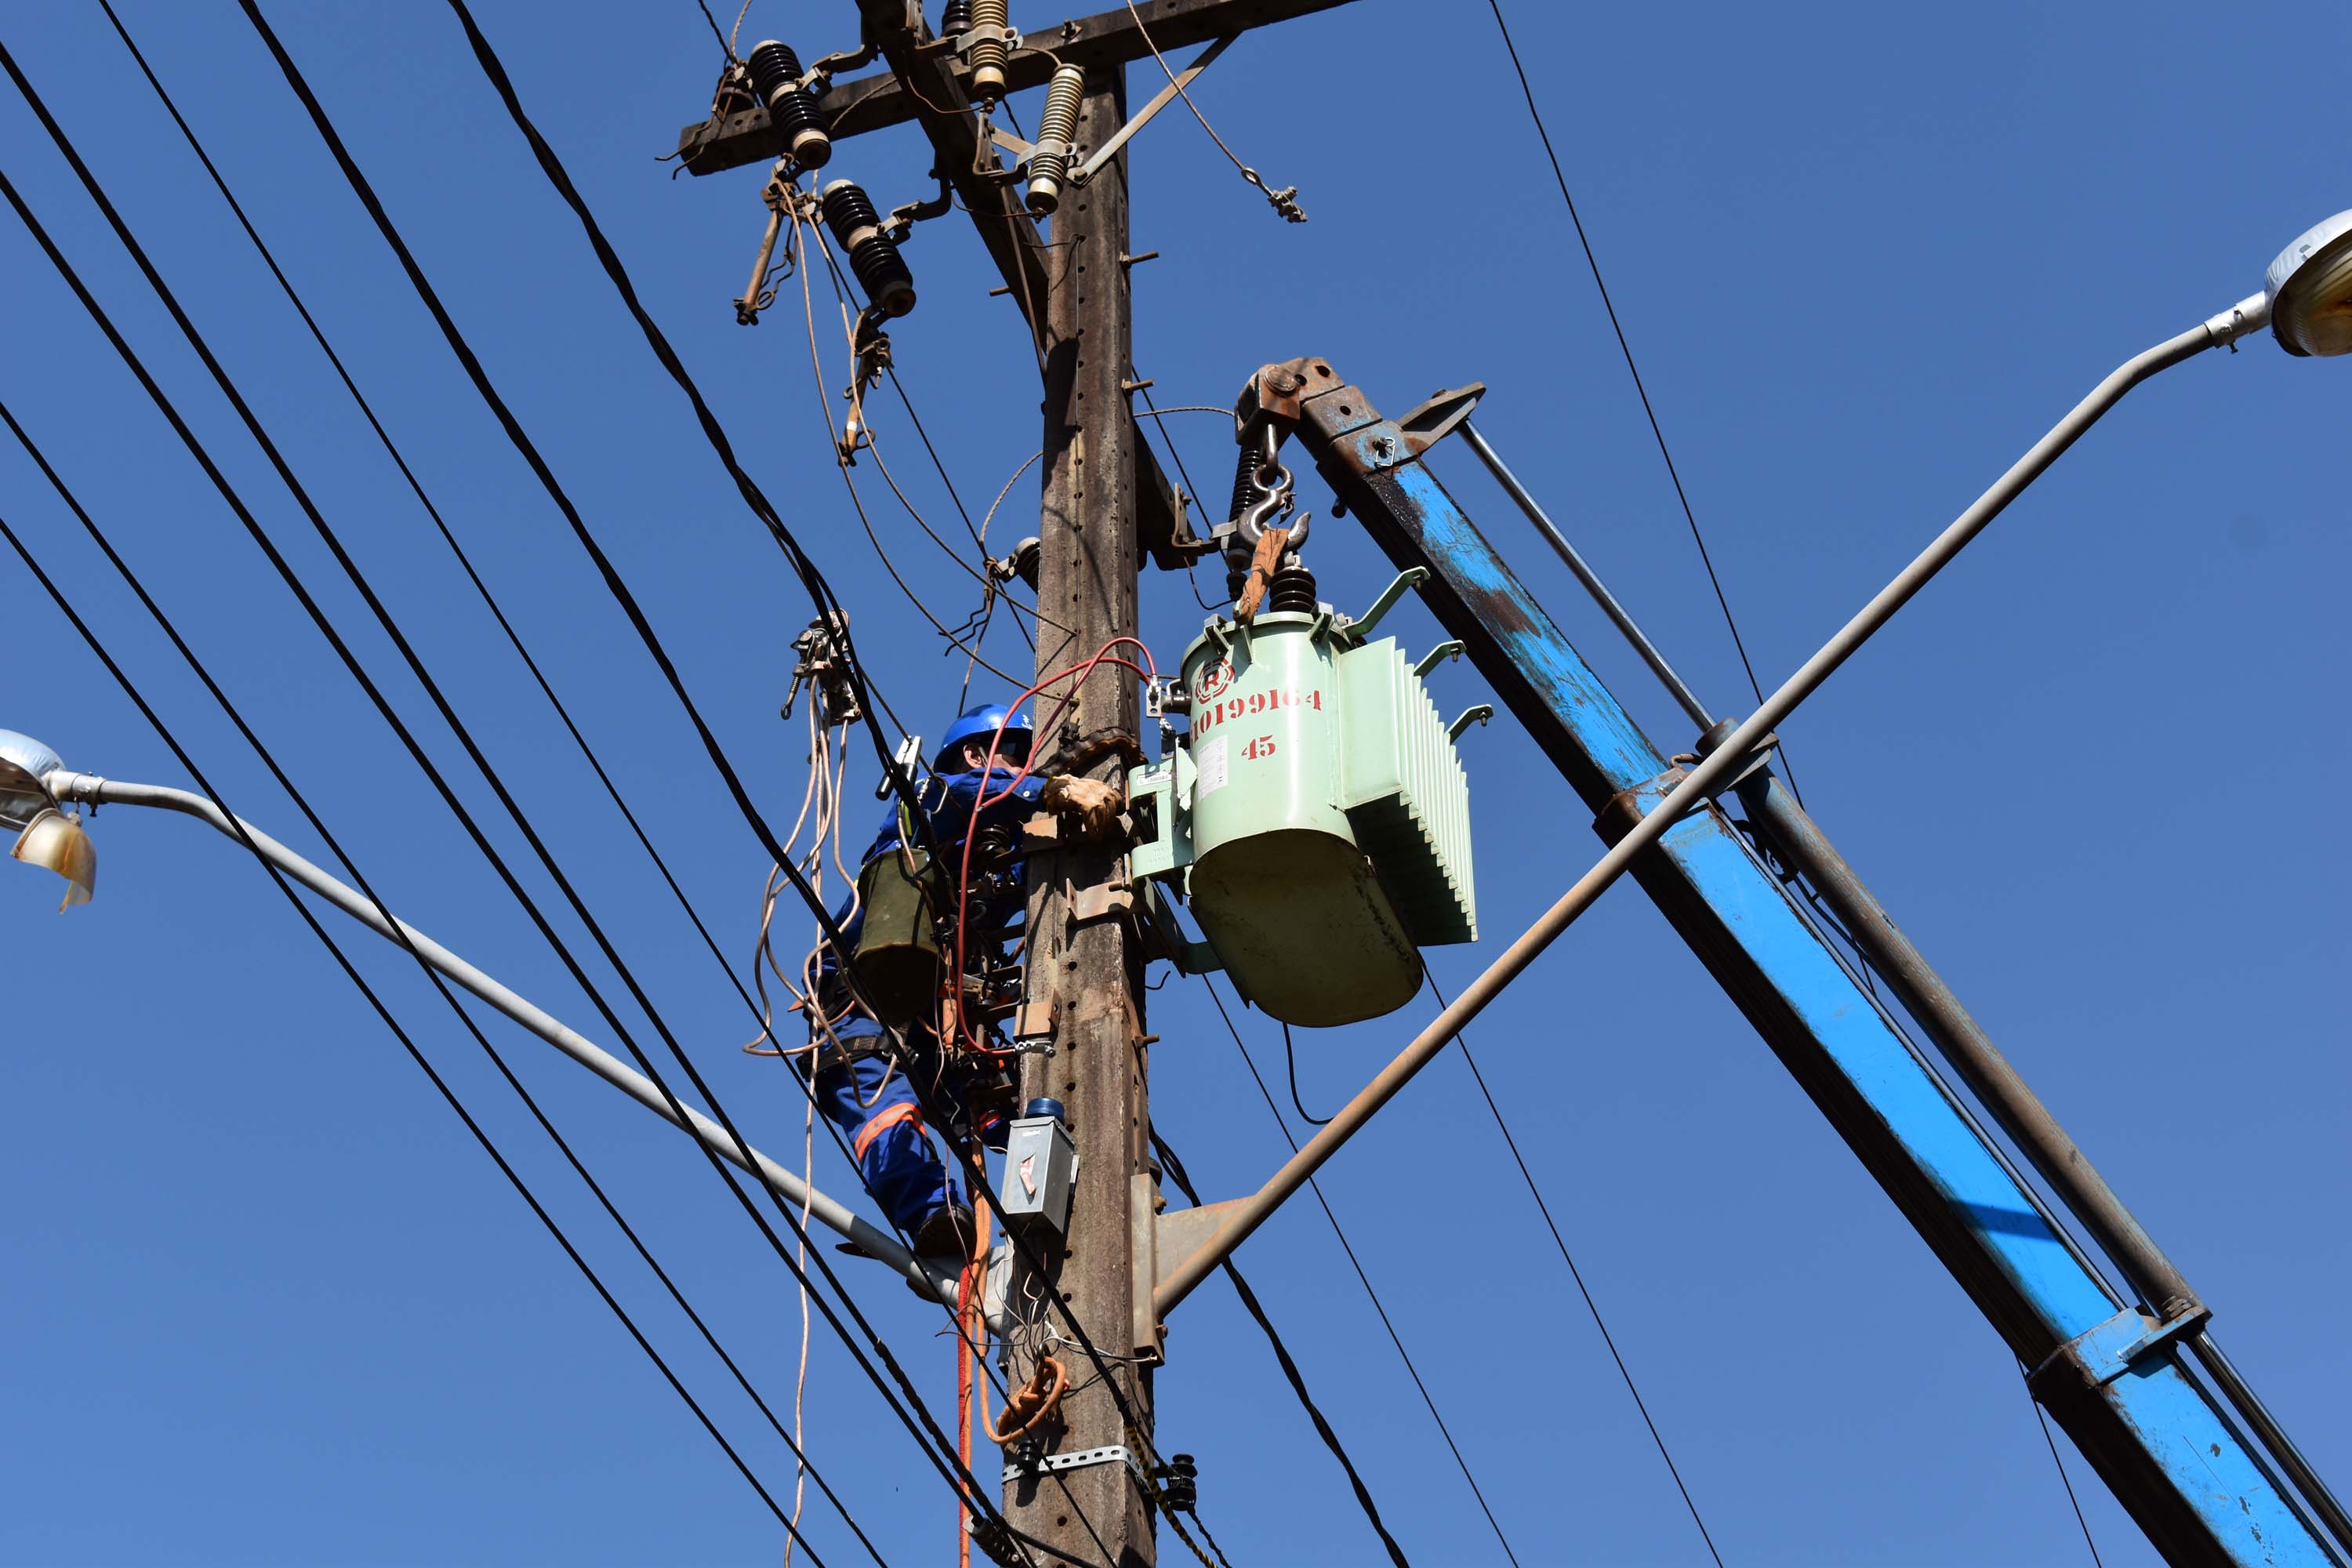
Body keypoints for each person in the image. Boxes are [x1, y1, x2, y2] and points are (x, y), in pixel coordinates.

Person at [809, 702, 1046, 1259]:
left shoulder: (1003, 855)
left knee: (995, 1112)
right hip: (862, 1006)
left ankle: (1057, 1195)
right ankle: (934, 1218)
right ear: (975, 754)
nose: (1026, 767)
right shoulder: (931, 804)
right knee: (883, 1111)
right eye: (1017, 754)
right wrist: (1049, 791)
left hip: (939, 1025)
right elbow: (962, 796)